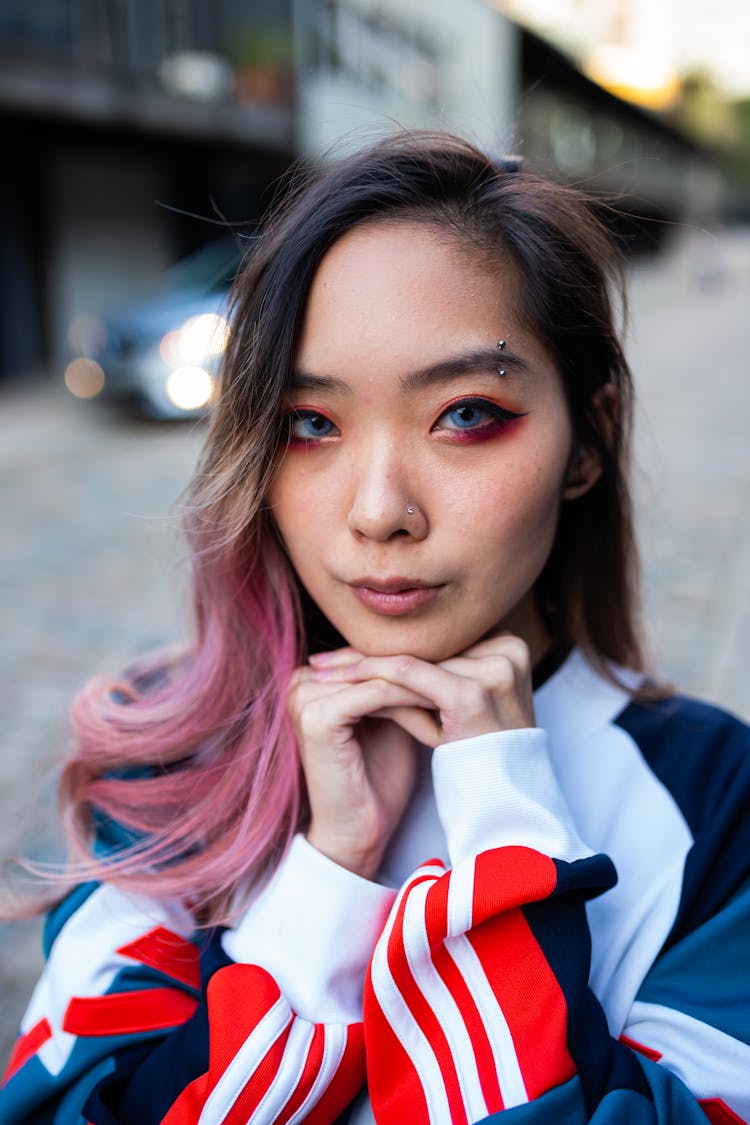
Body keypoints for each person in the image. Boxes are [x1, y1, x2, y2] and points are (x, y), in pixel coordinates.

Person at [1, 131, 748, 1125]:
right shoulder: (168, 753)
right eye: (311, 424)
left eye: (467, 415)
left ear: (590, 440)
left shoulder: (716, 800)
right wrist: (327, 875)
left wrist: (503, 834)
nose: (380, 511)